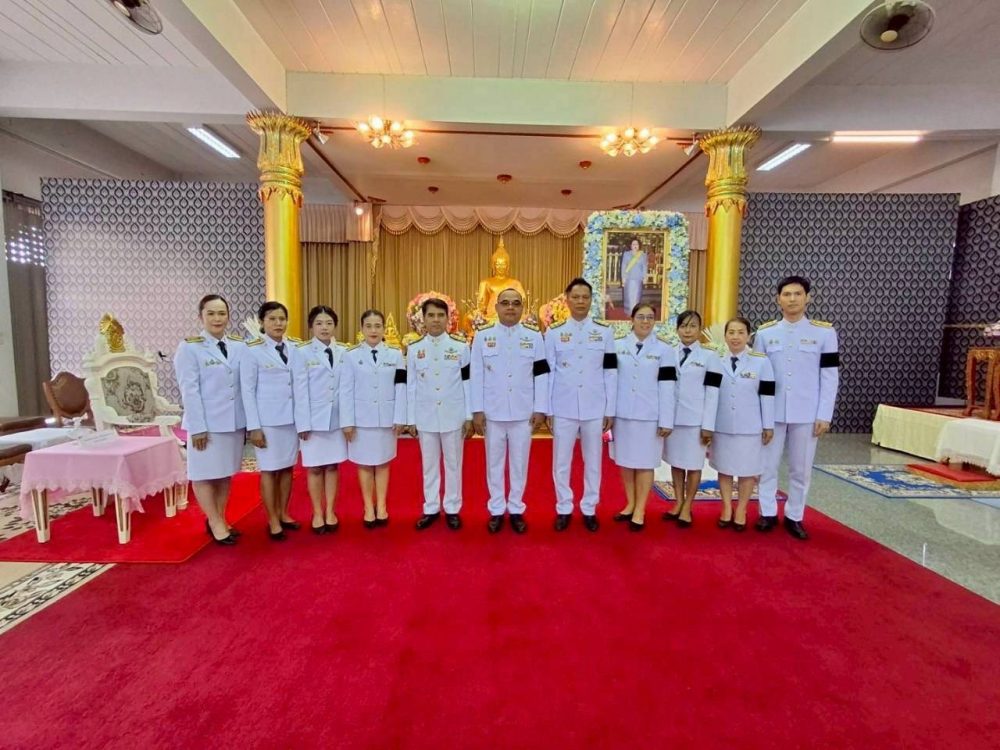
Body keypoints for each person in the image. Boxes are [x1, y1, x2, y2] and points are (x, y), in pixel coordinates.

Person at [753, 275, 840, 540]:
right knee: (767, 465)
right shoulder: (765, 333)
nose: (792, 299)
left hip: (807, 411)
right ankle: (767, 512)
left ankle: (794, 516)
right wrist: (759, 413)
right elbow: (758, 376)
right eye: (787, 294)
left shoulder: (824, 333)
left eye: (798, 294)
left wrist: (824, 414)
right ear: (778, 299)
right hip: (772, 411)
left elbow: (829, 376)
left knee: (801, 468)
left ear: (807, 298)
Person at [470, 288, 549, 534]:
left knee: (519, 463)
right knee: (493, 463)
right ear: (496, 307)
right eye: (505, 303)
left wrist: (541, 408)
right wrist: (477, 409)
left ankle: (515, 508)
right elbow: (476, 374)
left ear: (522, 308)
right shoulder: (483, 336)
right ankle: (496, 509)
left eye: (516, 303)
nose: (510, 307)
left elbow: (541, 374)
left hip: (523, 412)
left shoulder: (534, 337)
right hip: (492, 412)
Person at [173, 294, 247, 546]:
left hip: (232, 422)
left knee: (224, 473)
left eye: (222, 313)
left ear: (228, 316)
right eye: (211, 313)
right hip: (206, 424)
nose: (217, 318)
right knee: (203, 474)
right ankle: (214, 522)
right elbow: (189, 390)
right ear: (201, 316)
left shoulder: (238, 346)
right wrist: (197, 427)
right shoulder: (190, 348)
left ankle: (220, 518)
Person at [545, 277, 617, 532]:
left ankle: (589, 508)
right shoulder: (554, 333)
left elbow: (610, 372)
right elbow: (548, 372)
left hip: (594, 406)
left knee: (593, 460)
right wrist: (548, 409)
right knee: (561, 461)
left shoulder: (604, 332)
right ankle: (564, 507)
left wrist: (610, 409)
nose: (580, 301)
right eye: (575, 297)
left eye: (585, 297)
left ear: (591, 300)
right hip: (563, 406)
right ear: (567, 300)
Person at [406, 298, 472, 531]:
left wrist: (468, 416)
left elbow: (467, 383)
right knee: (429, 465)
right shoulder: (414, 349)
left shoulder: (460, 347)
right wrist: (411, 419)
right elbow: (411, 386)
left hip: (453, 415)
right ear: (423, 319)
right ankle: (431, 507)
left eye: (440, 315)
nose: (436, 320)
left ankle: (452, 508)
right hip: (425, 416)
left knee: (454, 464)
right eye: (431, 315)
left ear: (448, 319)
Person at [703, 317, 775, 532]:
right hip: (722, 424)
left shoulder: (761, 362)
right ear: (725, 336)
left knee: (747, 470)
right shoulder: (715, 360)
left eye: (741, 332)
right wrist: (708, 425)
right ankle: (726, 507)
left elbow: (767, 396)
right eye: (731, 332)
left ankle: (742, 509)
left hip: (750, 426)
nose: (735, 337)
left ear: (749, 336)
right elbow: (710, 395)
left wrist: (768, 425)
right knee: (724, 468)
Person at [612, 303, 676, 531]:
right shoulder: (617, 345)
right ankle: (630, 503)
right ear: (632, 319)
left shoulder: (665, 350)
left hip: (650, 415)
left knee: (646, 462)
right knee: (626, 461)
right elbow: (610, 381)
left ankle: (640, 509)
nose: (645, 321)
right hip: (622, 414)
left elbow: (668, 387)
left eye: (650, 317)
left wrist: (666, 419)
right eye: (641, 317)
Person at [340, 309, 406, 528]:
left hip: (387, 419)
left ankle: (382, 506)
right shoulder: (350, 355)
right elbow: (346, 390)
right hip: (361, 420)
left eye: (378, 326)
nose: (373, 330)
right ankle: (368, 507)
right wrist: (347, 422)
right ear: (361, 329)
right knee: (365, 464)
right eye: (368, 326)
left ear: (384, 329)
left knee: (384, 462)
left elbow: (401, 387)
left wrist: (400, 417)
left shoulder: (395, 354)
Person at [242, 301, 300, 541]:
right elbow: (247, 390)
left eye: (282, 319)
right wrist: (254, 427)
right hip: (267, 422)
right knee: (269, 470)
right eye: (272, 319)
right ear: (262, 322)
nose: (278, 323)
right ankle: (272, 520)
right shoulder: (252, 350)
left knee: (287, 468)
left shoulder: (295, 347)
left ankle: (283, 512)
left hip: (291, 419)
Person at [292, 305, 348, 535]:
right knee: (314, 468)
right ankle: (317, 512)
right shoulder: (302, 352)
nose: (324, 327)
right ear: (311, 327)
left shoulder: (345, 351)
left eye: (329, 323)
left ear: (335, 326)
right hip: (313, 421)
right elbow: (299, 390)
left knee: (333, 466)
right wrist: (303, 423)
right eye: (319, 323)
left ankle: (331, 511)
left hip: (337, 420)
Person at [663, 310, 720, 527]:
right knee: (676, 463)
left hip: (696, 421)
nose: (688, 330)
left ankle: (688, 506)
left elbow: (713, 393)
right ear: (677, 329)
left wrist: (708, 425)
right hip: (673, 419)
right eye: (684, 326)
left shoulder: (710, 357)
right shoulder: (668, 353)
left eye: (693, 326)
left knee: (694, 465)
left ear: (700, 329)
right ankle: (678, 502)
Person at [620, 237, 648, 314]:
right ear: (631, 245)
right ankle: (629, 311)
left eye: (636, 244)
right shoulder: (626, 254)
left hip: (638, 278)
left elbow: (644, 267)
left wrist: (645, 277)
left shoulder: (643, 255)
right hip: (628, 278)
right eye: (633, 244)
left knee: (637, 296)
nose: (635, 245)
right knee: (629, 296)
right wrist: (623, 278)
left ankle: (636, 312)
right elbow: (623, 266)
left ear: (639, 245)